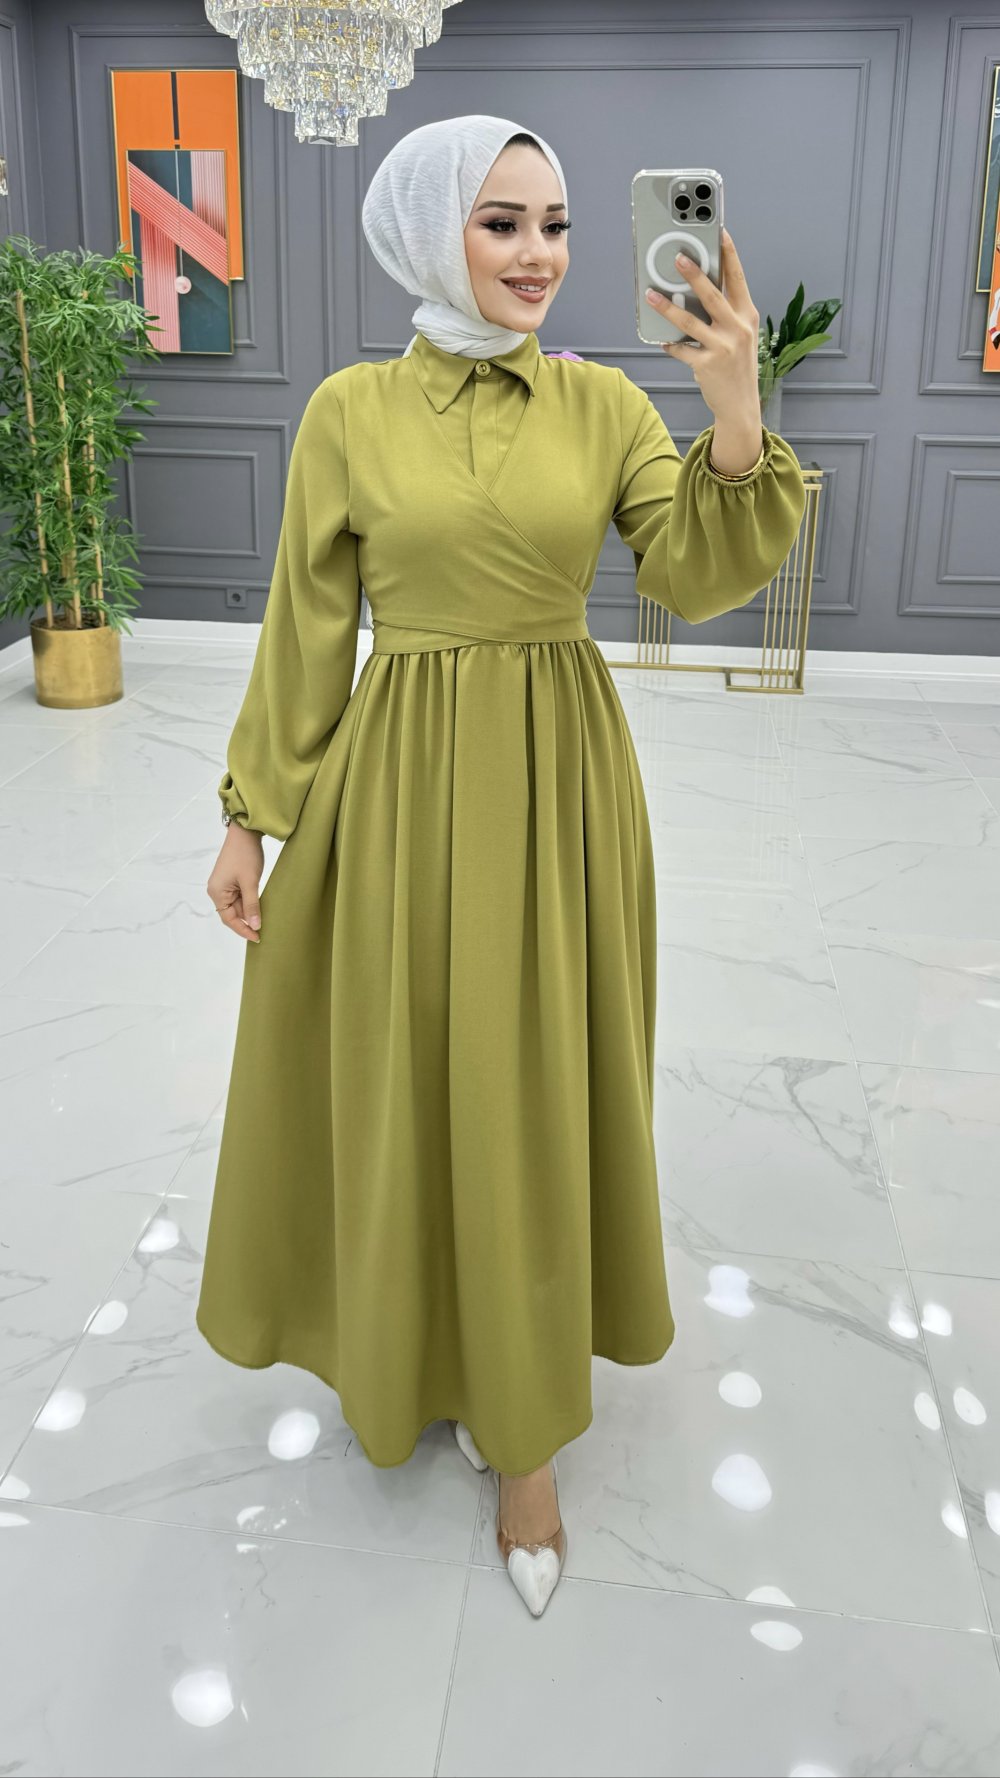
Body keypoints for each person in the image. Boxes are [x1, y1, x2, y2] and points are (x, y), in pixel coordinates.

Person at [199, 114, 806, 1620]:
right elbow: (306, 625)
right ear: (429, 234)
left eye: (556, 224)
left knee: (528, 1088)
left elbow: (692, 569)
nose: (540, 254)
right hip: (395, 791)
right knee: (406, 1077)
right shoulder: (349, 410)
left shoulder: (603, 403)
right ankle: (408, 1353)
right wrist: (250, 812)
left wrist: (735, 408)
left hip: (555, 787)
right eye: (502, 222)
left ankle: (524, 1438)